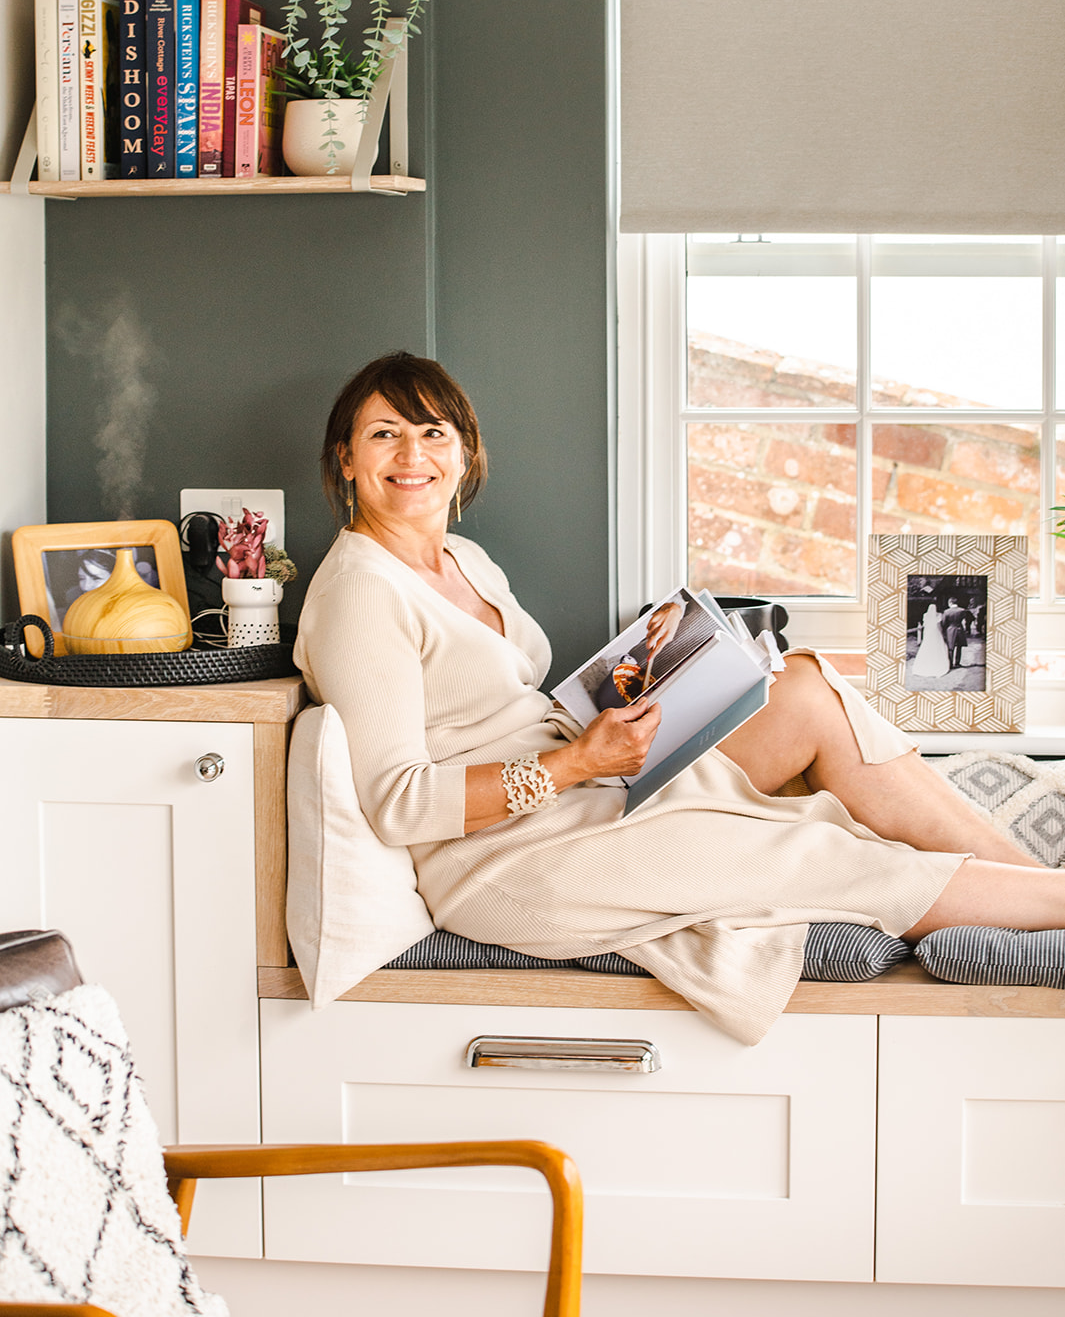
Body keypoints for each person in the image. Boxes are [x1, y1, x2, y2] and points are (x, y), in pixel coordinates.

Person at [294, 352, 1063, 1046]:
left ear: (463, 452)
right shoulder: (361, 593)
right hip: (505, 855)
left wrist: (647, 672)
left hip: (579, 782)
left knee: (801, 686)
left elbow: (505, 702)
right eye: (385, 435)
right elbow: (398, 806)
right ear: (346, 459)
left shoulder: (463, 558)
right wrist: (575, 764)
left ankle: (1024, 889)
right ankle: (1042, 903)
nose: (412, 456)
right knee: (819, 854)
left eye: (432, 433)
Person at [911, 599, 949, 680]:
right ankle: (937, 664)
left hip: (928, 633)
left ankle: (925, 664)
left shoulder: (925, 615)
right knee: (937, 647)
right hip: (936, 633)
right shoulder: (938, 615)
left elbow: (925, 625)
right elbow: (939, 626)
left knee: (927, 647)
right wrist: (942, 633)